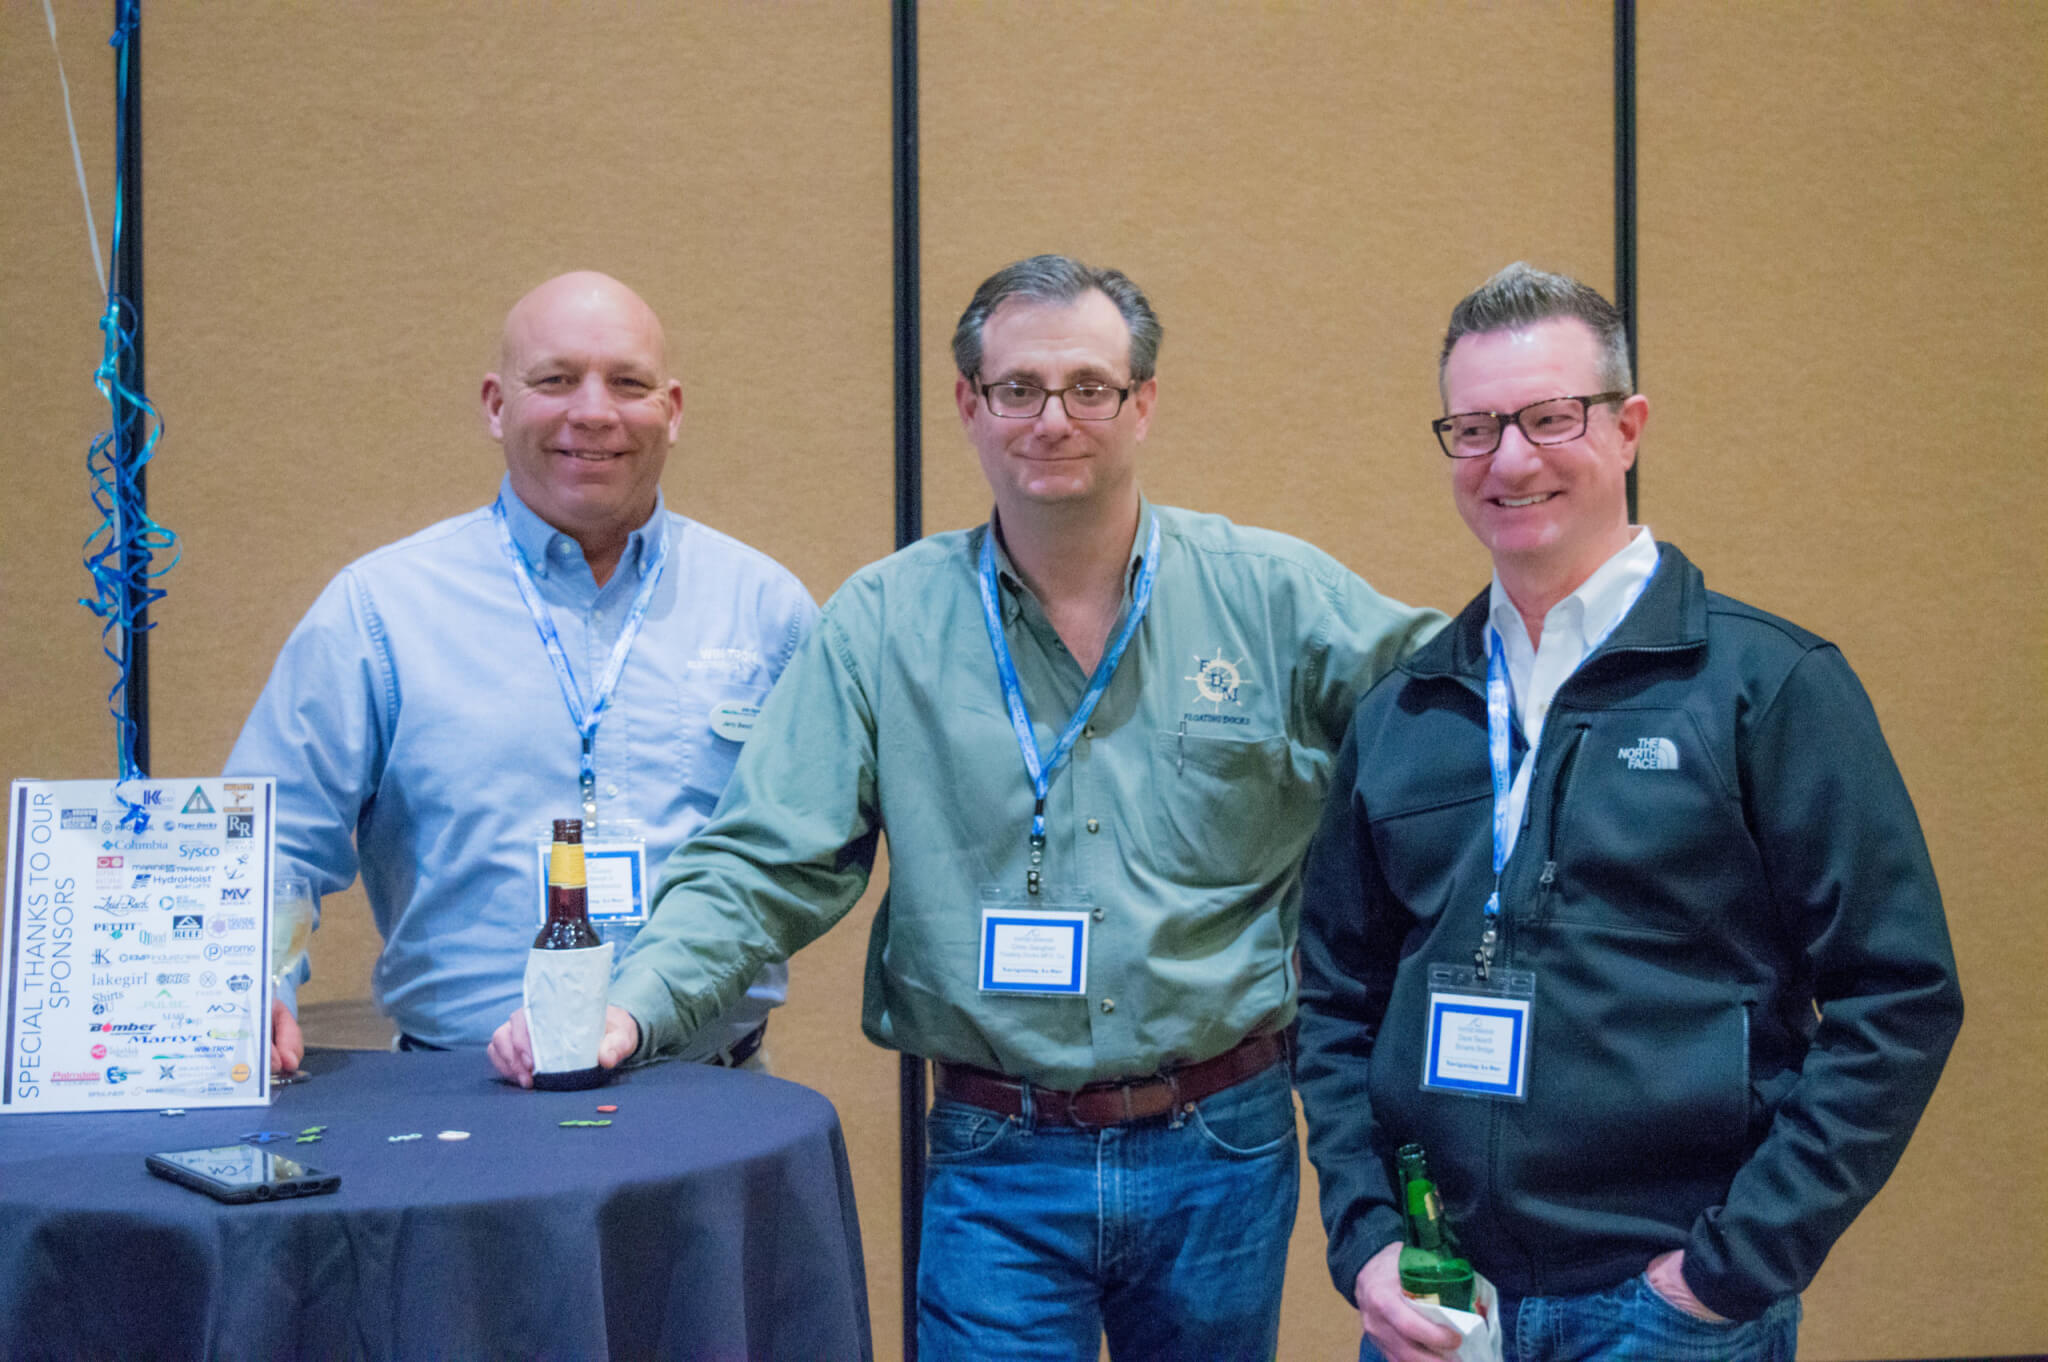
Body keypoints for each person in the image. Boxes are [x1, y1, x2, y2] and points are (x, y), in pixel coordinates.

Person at [490, 254, 1445, 1359]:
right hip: (999, 1153)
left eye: (1089, 388)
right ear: (967, 404)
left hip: (1222, 1142)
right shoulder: (884, 624)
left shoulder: (1275, 599)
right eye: (1018, 388)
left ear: (1142, 403)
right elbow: (764, 861)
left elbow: (1466, 721)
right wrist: (633, 1003)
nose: (1053, 419)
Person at [1293, 262, 1964, 1362]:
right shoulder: (1406, 709)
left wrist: (1729, 1269)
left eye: (1550, 417)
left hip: (1663, 1310)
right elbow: (1334, 1000)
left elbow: (1899, 996)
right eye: (1474, 429)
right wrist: (1367, 1240)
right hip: (1440, 1302)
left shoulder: (1763, 686)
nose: (1510, 459)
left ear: (1627, 428)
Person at [228, 270, 813, 1075]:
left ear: (672, 411)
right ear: (496, 405)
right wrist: (252, 980)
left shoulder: (767, 610)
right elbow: (274, 838)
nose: (595, 412)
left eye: (628, 383)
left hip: (710, 1090)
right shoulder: (381, 611)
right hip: (461, 1094)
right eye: (557, 380)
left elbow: (804, 854)